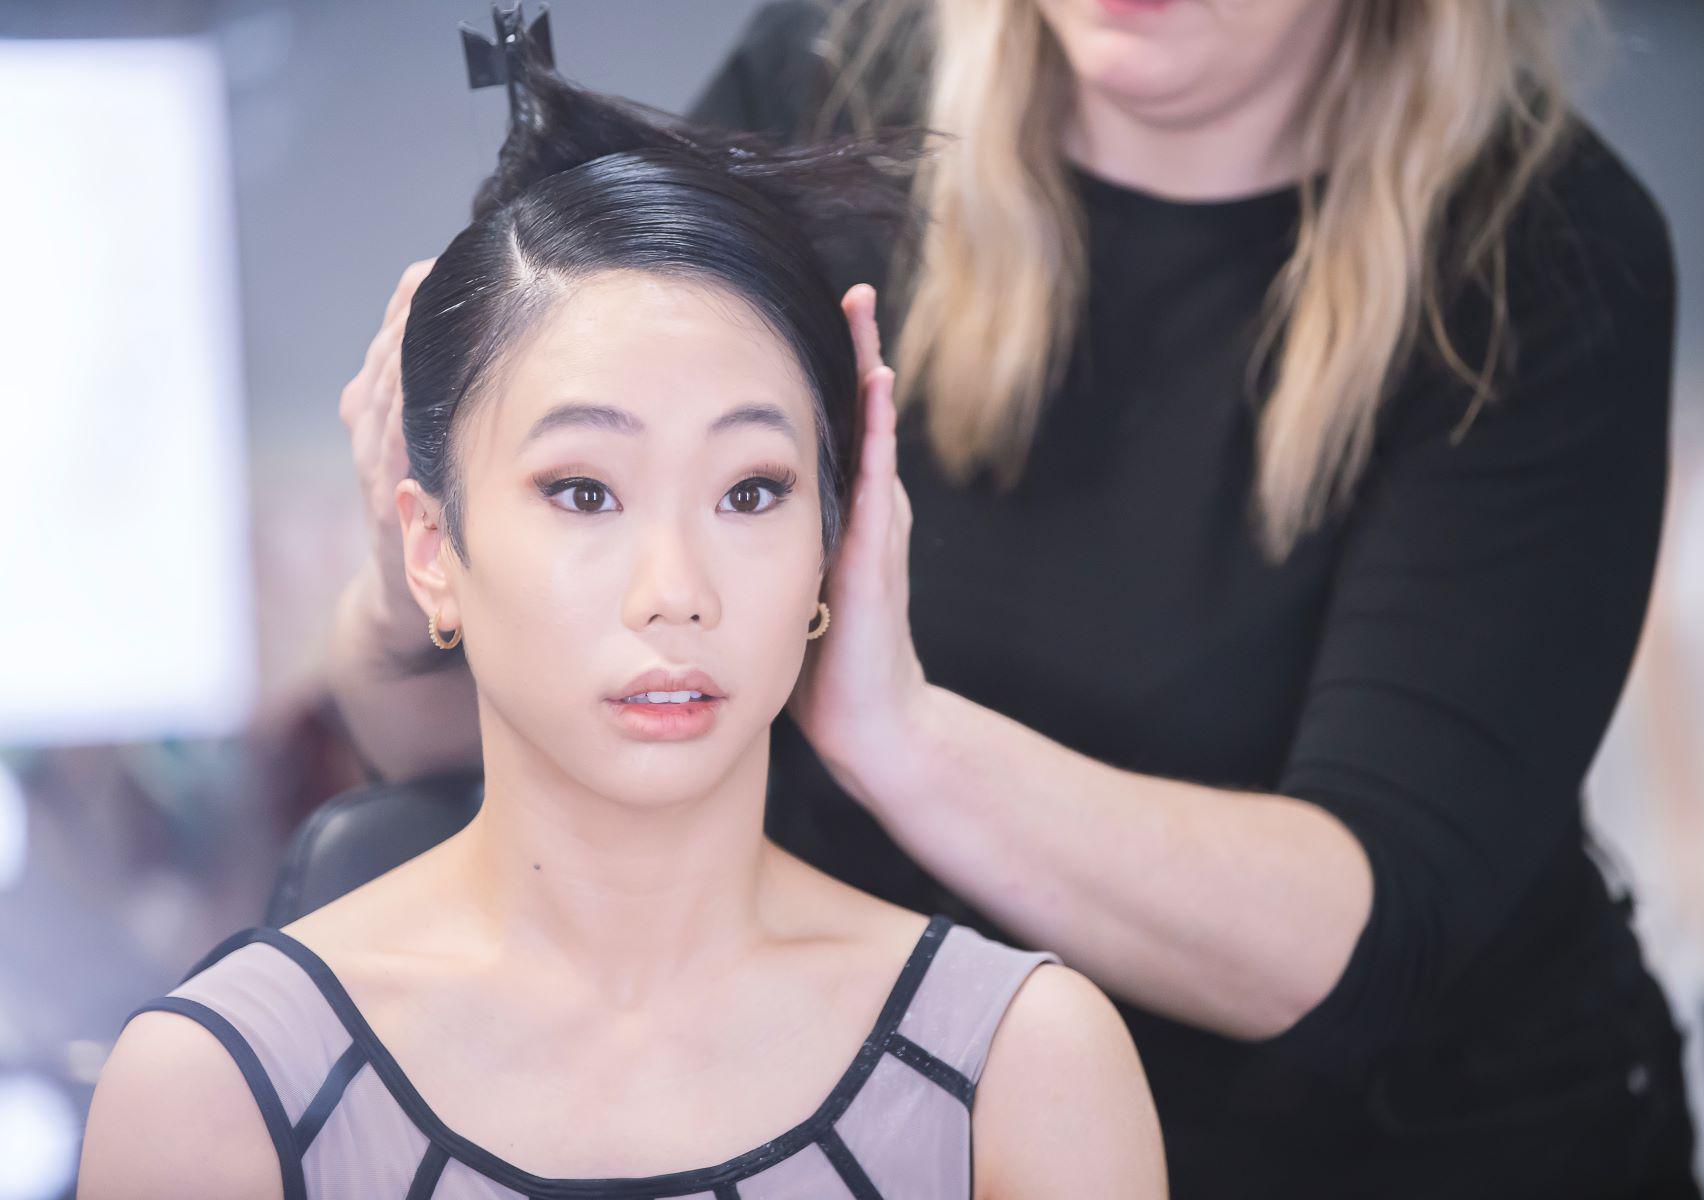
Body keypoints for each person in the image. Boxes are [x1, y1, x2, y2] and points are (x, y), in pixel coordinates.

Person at [325, 1, 1701, 1196]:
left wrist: (894, 735)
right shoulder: (840, 86)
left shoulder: (1542, 262)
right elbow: (453, 732)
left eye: (749, 496)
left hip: (1399, 1148)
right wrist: (417, 599)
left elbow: (1346, 937)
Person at [75, 47, 1166, 1200]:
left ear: (836, 545)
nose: (676, 588)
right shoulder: (213, 1091)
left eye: (752, 491)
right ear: (434, 548)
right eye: (583, 491)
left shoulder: (1023, 1066)